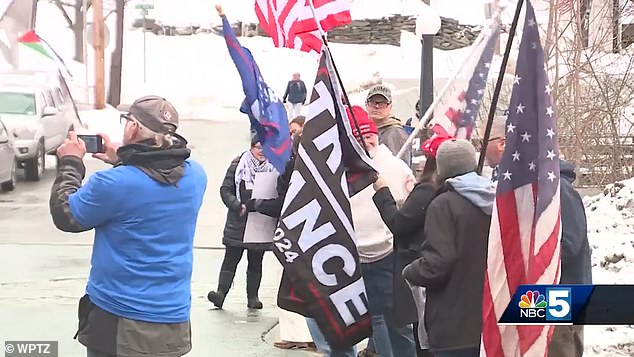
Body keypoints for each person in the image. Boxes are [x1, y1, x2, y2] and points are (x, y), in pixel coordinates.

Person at [49, 95, 207, 357]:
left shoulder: (113, 184)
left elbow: (66, 215)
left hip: (119, 318)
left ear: (133, 128)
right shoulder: (195, 175)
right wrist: (122, 159)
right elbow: (153, 178)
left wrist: (71, 162)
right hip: (173, 317)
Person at [403, 139, 495, 357]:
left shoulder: (443, 204)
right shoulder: (497, 200)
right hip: (491, 320)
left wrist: (411, 271)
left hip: (454, 323)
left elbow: (438, 263)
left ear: (441, 170)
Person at [372, 135, 452, 357]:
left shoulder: (427, 191)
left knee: (419, 336)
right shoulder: (454, 192)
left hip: (419, 270)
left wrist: (383, 192)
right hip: (449, 281)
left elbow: (399, 224)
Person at [348, 105, 417, 357]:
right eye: (360, 137)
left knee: (398, 322)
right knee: (369, 320)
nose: (367, 142)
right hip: (351, 256)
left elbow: (410, 205)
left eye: (370, 136)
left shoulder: (395, 167)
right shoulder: (338, 168)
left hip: (388, 255)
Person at [207, 135, 276, 310]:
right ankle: (221, 294)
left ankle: (253, 297)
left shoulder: (274, 167)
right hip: (238, 220)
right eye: (259, 147)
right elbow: (225, 190)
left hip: (260, 220)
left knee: (256, 260)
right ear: (252, 147)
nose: (262, 152)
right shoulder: (238, 165)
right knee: (231, 259)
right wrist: (237, 205)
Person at [547, 160, 592, 357]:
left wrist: (534, 261)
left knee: (560, 348)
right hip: (548, 289)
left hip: (565, 290)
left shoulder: (561, 191)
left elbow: (570, 243)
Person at [365, 84, 412, 166]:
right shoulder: (365, 130)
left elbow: (399, 169)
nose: (377, 106)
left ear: (390, 106)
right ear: (366, 104)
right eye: (373, 102)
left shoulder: (396, 133)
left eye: (382, 103)